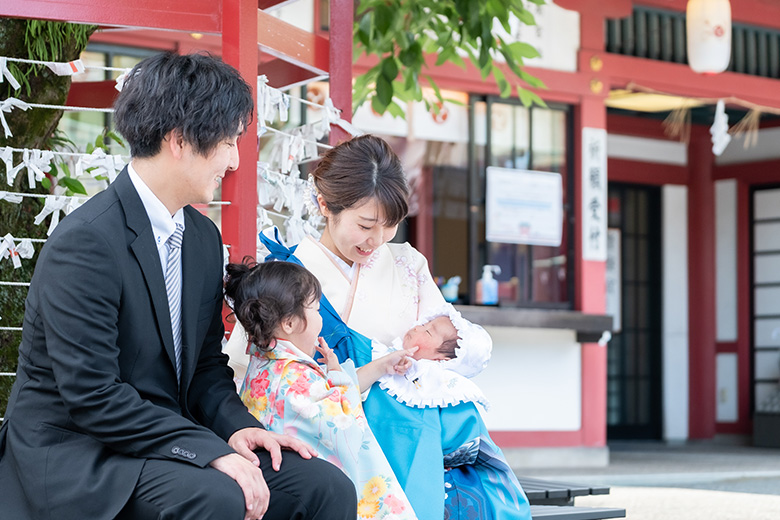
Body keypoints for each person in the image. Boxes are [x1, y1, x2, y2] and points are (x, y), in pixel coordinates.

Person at [0, 52, 356, 520]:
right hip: (83, 453)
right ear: (180, 140)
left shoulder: (203, 239)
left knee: (325, 487)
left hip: (165, 441)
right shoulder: (86, 243)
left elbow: (207, 368)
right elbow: (93, 396)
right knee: (218, 496)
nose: (233, 160)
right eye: (228, 142)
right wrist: (206, 450)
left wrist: (238, 431)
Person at [228, 134, 531, 519]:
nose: (378, 240)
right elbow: (245, 369)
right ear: (324, 204)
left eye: (390, 226)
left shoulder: (408, 264)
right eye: (366, 224)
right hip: (322, 437)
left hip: (409, 437)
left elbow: (446, 343)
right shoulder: (285, 276)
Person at [224, 260, 419, 520]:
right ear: (289, 323)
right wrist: (337, 377)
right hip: (315, 491)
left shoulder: (262, 365)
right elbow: (345, 429)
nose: (320, 319)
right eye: (315, 309)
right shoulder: (298, 377)